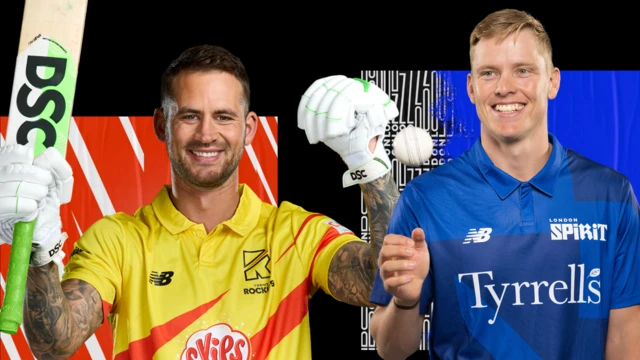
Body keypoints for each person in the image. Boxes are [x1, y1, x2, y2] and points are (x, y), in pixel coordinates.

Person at [0, 45, 401, 359]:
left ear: (249, 130)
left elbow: (382, 285)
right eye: (190, 116)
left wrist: (370, 166)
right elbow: (54, 345)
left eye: (224, 117)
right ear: (162, 124)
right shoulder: (117, 240)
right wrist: (39, 252)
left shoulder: (294, 233)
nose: (207, 134)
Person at [368, 8, 640, 360]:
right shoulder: (426, 197)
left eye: (523, 70)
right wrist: (405, 304)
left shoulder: (610, 194)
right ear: (471, 87)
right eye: (488, 73)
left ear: (552, 81)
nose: (504, 88)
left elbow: (625, 337)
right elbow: (391, 350)